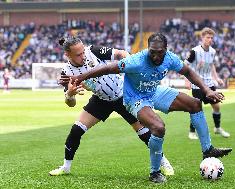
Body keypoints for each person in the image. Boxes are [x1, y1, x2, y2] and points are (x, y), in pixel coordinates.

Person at [60, 33, 232, 183]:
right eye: (152, 52)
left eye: (160, 53)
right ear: (147, 48)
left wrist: (207, 90)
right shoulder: (136, 61)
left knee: (195, 104)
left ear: (166, 49)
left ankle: (207, 149)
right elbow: (107, 68)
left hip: (152, 91)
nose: (156, 57)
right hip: (134, 98)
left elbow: (189, 72)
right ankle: (155, 172)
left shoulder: (170, 58)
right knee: (158, 127)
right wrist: (77, 82)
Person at [49, 36, 174, 176]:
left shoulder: (93, 51)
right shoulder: (66, 73)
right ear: (67, 55)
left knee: (144, 132)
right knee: (76, 130)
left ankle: (163, 161)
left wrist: (131, 63)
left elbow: (120, 53)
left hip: (124, 96)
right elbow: (70, 104)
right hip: (101, 100)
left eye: (83, 52)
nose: (83, 56)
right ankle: (65, 167)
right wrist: (70, 94)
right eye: (78, 55)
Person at [186, 27, 230, 140]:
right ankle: (191, 132)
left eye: (211, 38)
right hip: (197, 83)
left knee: (216, 106)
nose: (210, 39)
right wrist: (187, 80)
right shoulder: (194, 51)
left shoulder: (213, 51)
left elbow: (211, 65)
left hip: (209, 83)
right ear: (202, 38)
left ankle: (217, 128)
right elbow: (185, 65)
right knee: (196, 108)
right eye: (208, 37)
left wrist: (217, 77)